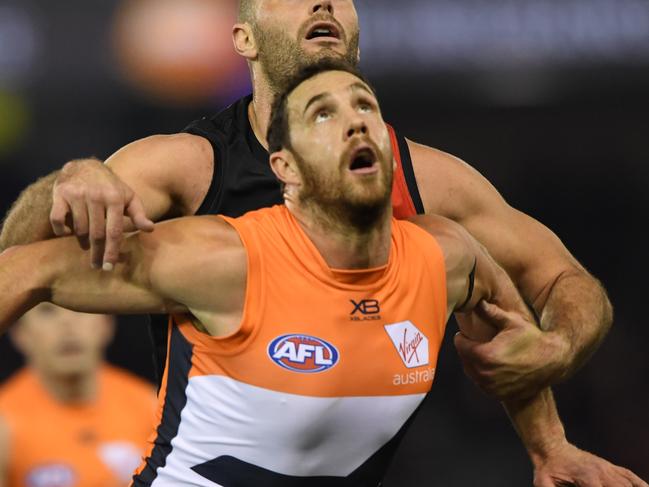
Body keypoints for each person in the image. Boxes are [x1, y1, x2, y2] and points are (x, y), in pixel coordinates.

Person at [0, 0, 623, 483]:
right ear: (242, 37)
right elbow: (19, 260)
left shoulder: (435, 206)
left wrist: (556, 376)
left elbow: (550, 286)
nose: (324, 1)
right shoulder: (189, 174)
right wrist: (71, 179)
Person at [0, 304, 156, 487]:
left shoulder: (153, 409)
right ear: (20, 334)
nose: (67, 323)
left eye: (81, 309)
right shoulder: (5, 426)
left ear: (106, 323)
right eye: (47, 311)